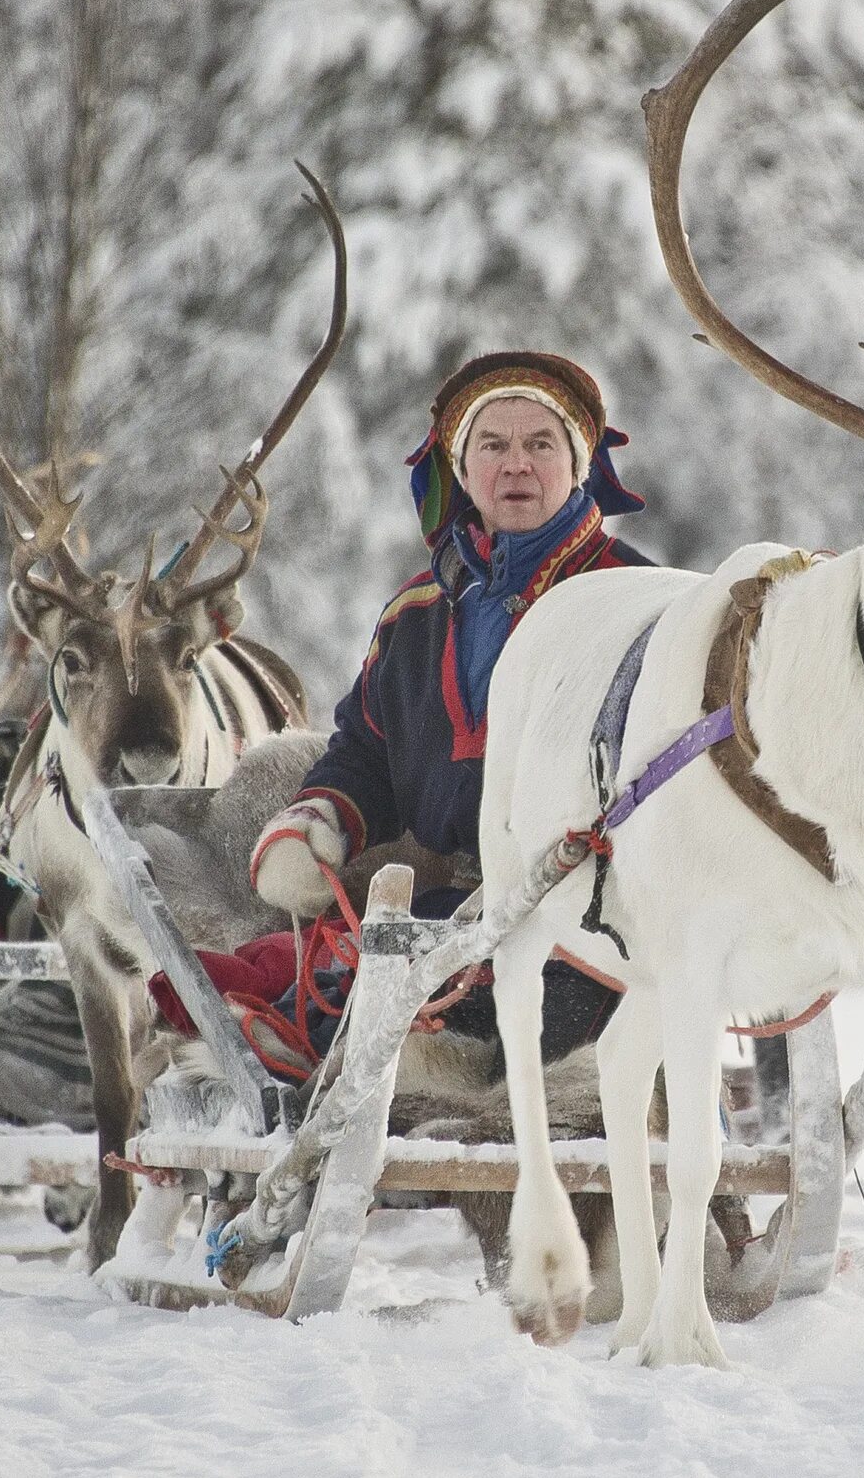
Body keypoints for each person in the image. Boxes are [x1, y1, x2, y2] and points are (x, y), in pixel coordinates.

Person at [154, 352, 650, 1073]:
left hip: (597, 913)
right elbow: (365, 751)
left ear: (578, 465)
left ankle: (316, 1043)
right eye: (494, 445)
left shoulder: (636, 597)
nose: (517, 465)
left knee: (421, 1011)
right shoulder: (416, 614)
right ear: (463, 469)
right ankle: (306, 1030)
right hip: (453, 903)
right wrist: (317, 819)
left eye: (542, 444)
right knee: (363, 972)